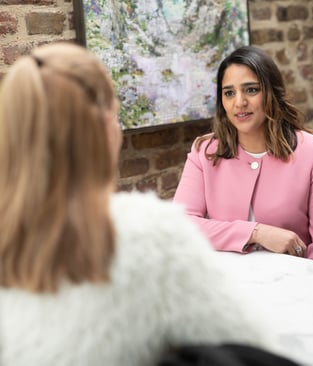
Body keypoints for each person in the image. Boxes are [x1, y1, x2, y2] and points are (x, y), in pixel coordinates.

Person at [0, 42, 284, 366]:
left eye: (250, 90)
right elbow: (253, 347)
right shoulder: (148, 235)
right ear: (107, 125)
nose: (239, 103)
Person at [174, 45, 313, 265]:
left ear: (271, 94)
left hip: (295, 286)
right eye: (229, 93)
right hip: (224, 284)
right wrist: (257, 232)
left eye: (251, 90)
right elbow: (180, 225)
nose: (239, 103)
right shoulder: (205, 152)